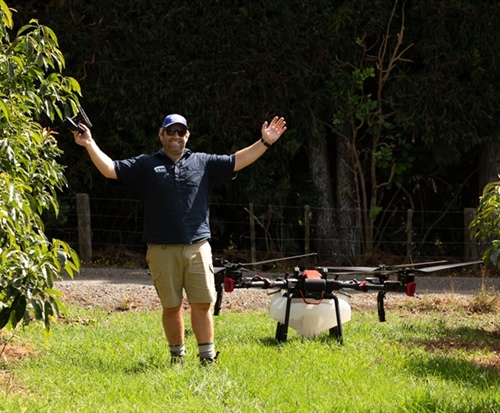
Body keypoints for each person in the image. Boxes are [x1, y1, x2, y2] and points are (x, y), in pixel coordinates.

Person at [73, 113, 287, 365]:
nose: (176, 136)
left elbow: (237, 161)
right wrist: (89, 143)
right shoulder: (146, 164)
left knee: (202, 303)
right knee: (171, 307)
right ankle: (177, 357)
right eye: (170, 131)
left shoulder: (203, 162)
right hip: (161, 249)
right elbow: (110, 170)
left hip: (197, 247)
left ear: (187, 135)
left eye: (180, 132)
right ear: (161, 134)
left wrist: (264, 142)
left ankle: (207, 358)